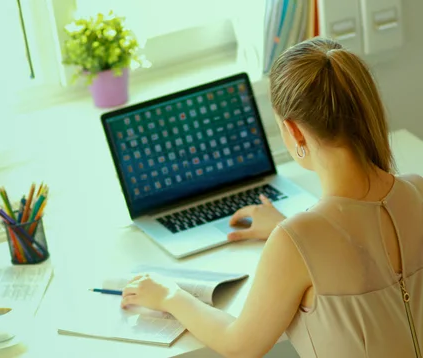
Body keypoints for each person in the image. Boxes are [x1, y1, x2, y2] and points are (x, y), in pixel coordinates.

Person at [121, 37, 423, 358]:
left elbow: (240, 345)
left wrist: (169, 295)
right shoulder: (416, 190)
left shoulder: (295, 243)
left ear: (293, 132)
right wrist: (289, 229)